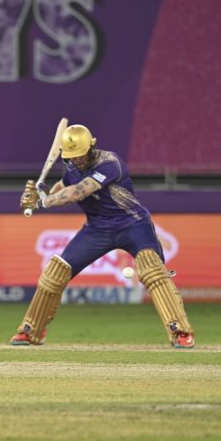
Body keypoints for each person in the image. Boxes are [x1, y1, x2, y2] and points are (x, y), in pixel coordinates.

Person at [15, 124, 195, 349]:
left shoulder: (110, 163)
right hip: (97, 229)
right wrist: (41, 193)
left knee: (152, 270)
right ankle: (31, 331)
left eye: (81, 156)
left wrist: (41, 203)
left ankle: (179, 332)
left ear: (91, 147)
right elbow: (64, 186)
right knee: (55, 272)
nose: (77, 161)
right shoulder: (71, 167)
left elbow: (79, 191)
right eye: (72, 157)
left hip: (132, 224)